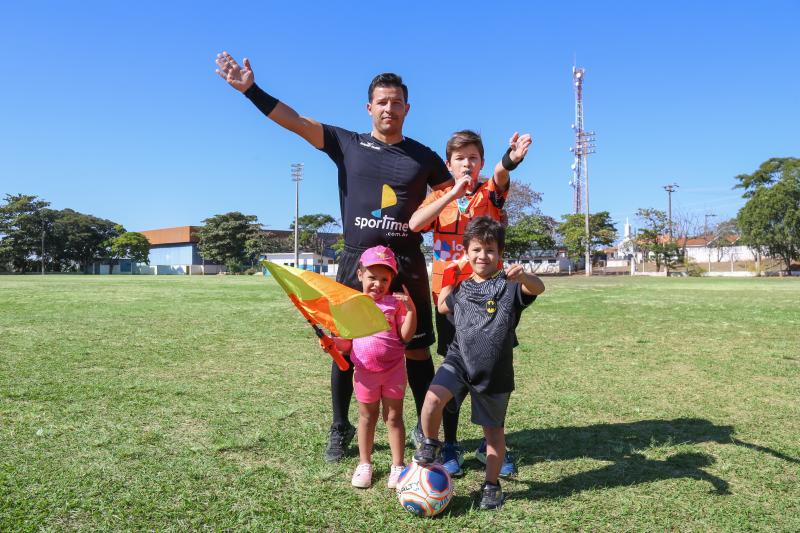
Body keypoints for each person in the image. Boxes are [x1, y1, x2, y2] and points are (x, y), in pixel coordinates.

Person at [215, 53, 452, 462]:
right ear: (369, 107)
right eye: (382, 102)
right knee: (345, 347)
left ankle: (422, 430)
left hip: (407, 264)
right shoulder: (347, 143)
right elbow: (296, 122)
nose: (389, 109)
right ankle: (340, 428)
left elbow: (455, 203)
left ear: (407, 108)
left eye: (396, 102)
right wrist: (251, 90)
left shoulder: (425, 157)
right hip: (357, 265)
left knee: (415, 350)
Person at [408, 130, 532, 477]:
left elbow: (501, 175)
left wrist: (511, 159)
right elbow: (416, 223)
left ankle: (486, 445)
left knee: (489, 366)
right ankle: (449, 446)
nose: (467, 163)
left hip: (491, 296)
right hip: (451, 297)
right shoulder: (441, 195)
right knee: (453, 367)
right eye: (460, 158)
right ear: (449, 163)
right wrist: (450, 196)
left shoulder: (488, 193)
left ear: (480, 162)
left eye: (473, 158)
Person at [413, 216, 545, 511]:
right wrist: (450, 276)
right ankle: (431, 444)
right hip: (459, 360)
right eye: (475, 250)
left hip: (493, 371)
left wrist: (524, 277)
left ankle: (491, 485)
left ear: (499, 255)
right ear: (466, 253)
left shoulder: (509, 286)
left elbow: (538, 288)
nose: (482, 256)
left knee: (494, 434)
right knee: (432, 399)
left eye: (489, 250)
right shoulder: (461, 288)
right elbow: (442, 305)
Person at [333, 246, 416, 489]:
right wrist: (333, 343)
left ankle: (398, 465)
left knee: (393, 417)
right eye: (372, 277)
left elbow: (406, 335)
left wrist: (410, 309)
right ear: (360, 274)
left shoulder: (395, 304)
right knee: (366, 418)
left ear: (391, 279)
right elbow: (346, 346)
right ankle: (364, 463)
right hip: (364, 374)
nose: (377, 284)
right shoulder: (351, 305)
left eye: (384, 279)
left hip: (394, 371)